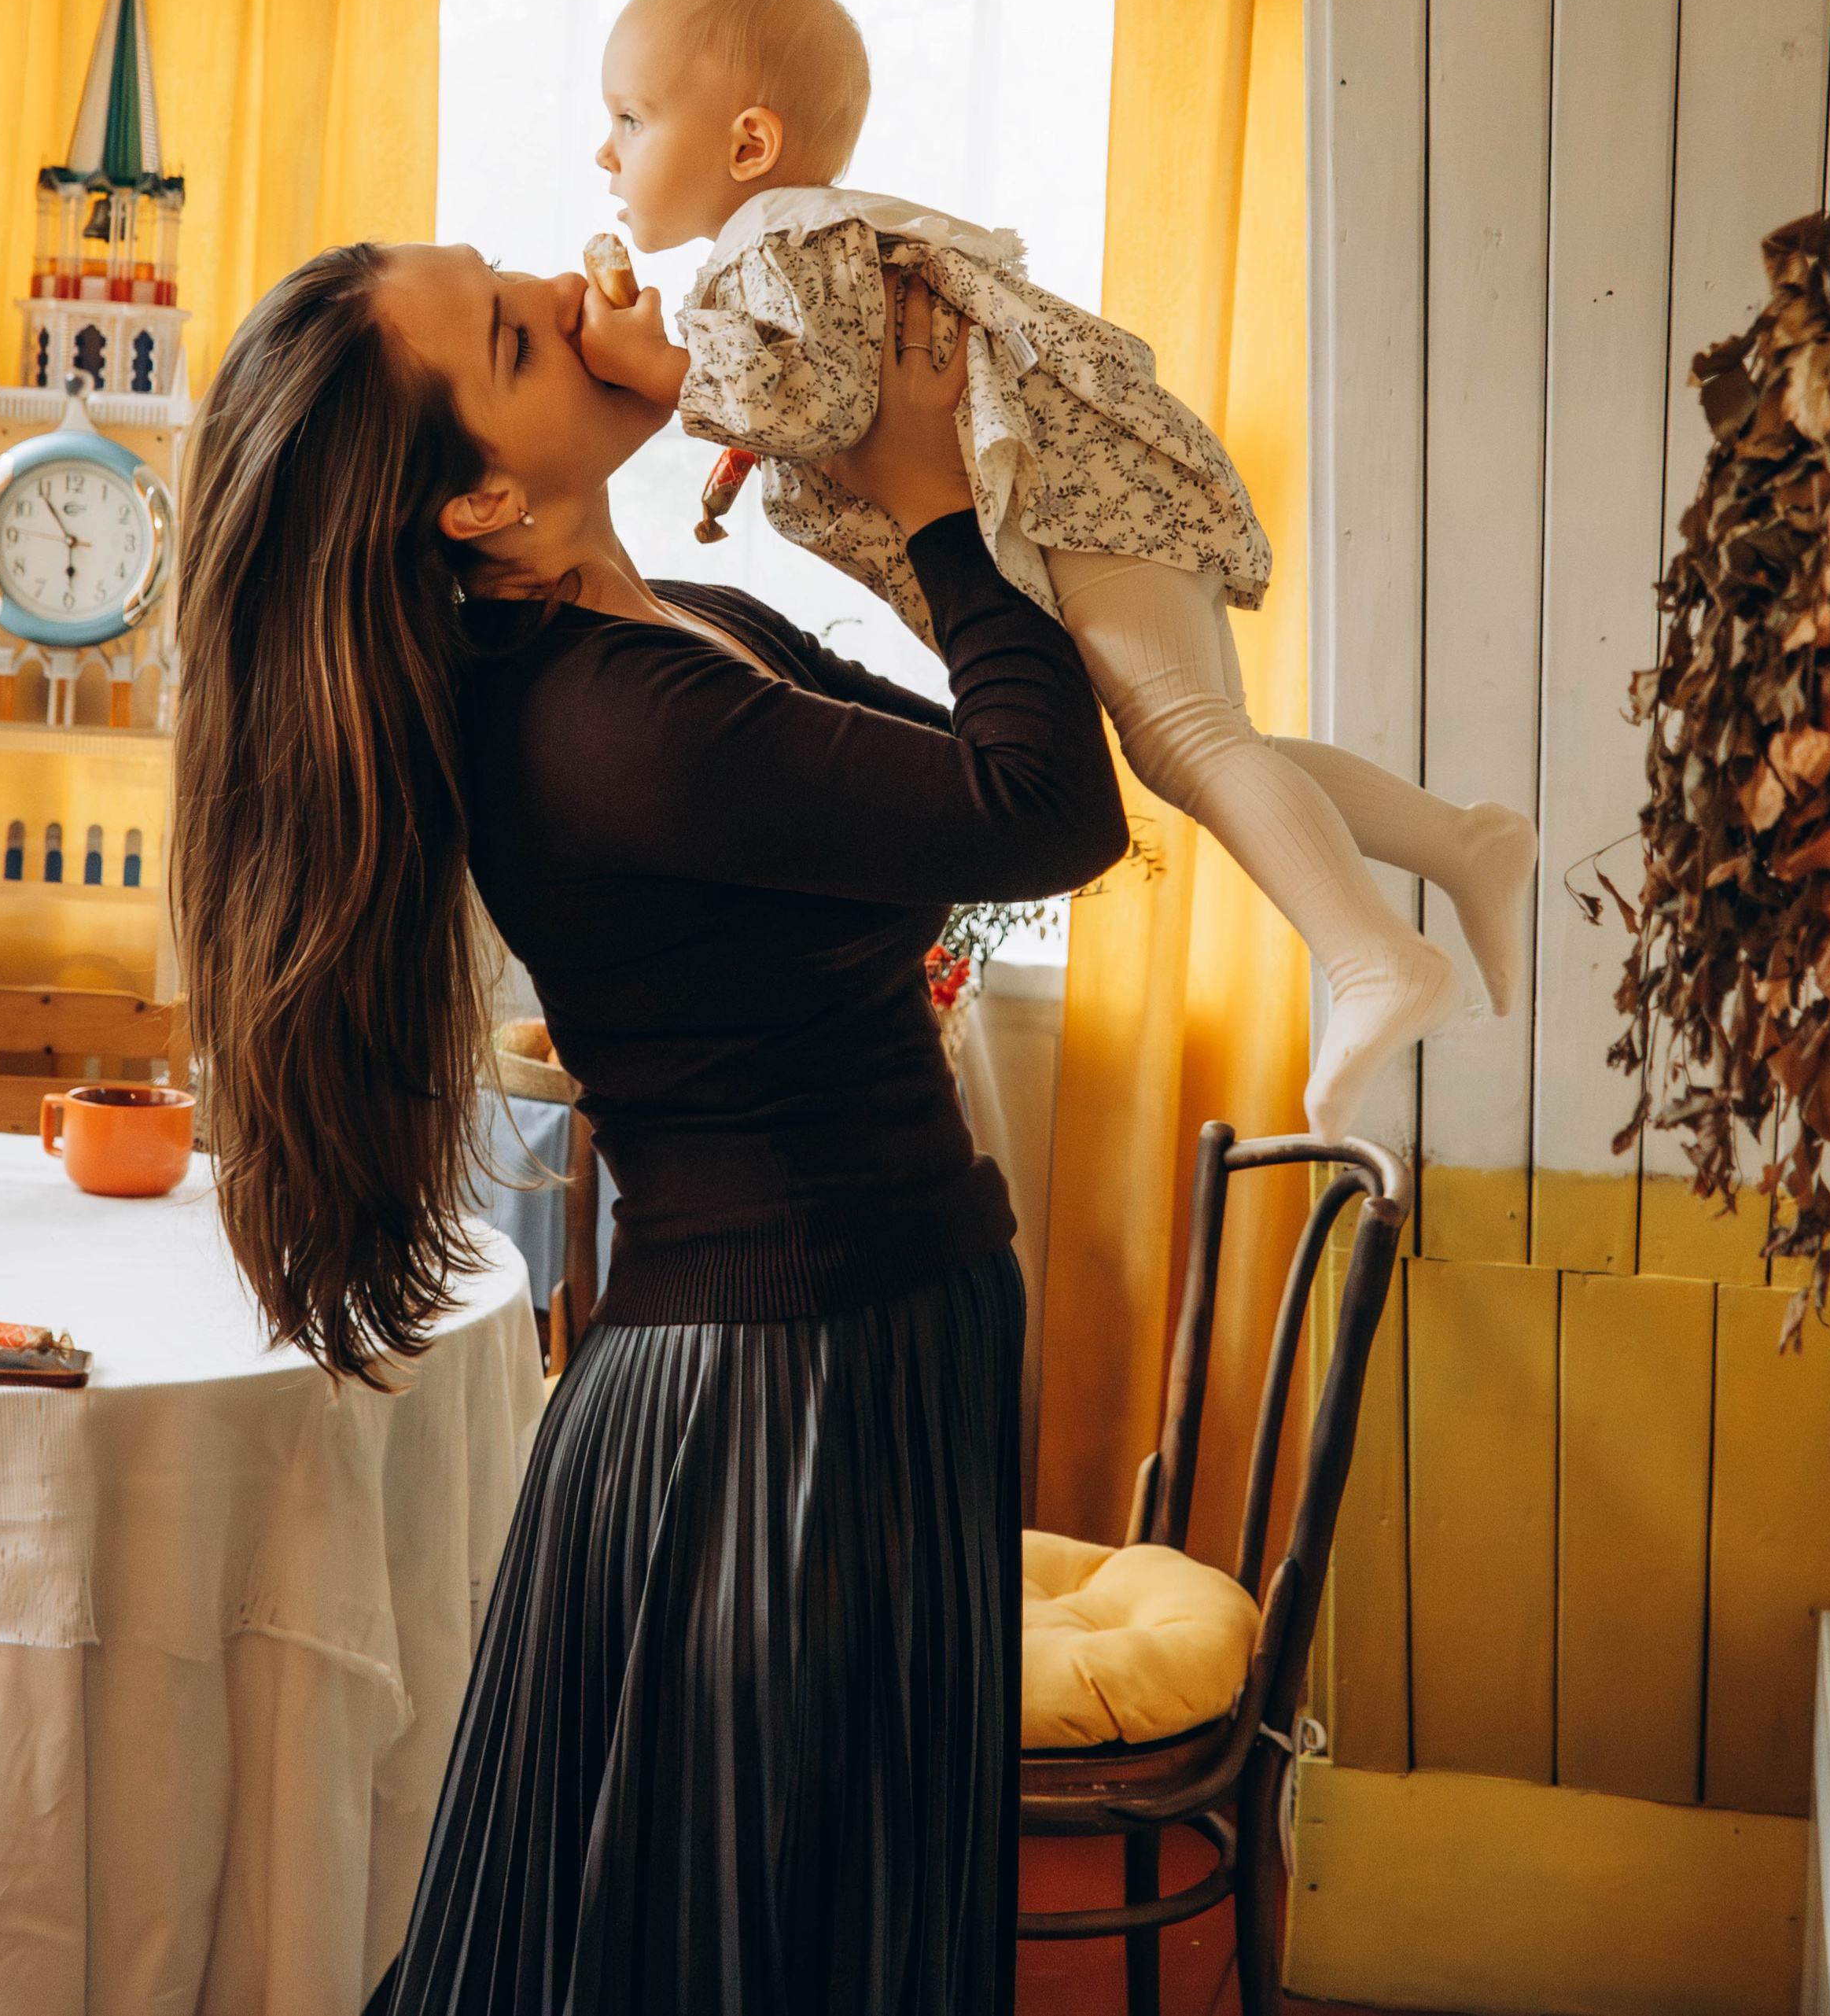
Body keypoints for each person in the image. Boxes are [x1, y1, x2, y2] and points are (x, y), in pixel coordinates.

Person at [171, 237, 1126, 2016]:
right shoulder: (613, 723)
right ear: (476, 502)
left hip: (840, 1346)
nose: (569, 278)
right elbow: (1046, 808)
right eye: (522, 333)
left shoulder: (668, 634)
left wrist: (832, 454)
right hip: (783, 1396)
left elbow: (977, 760)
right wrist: (924, 501)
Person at [578, 0, 1540, 1137]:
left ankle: (1376, 956)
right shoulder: (795, 246)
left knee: (1189, 741)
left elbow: (820, 405)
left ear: (747, 144)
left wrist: (660, 371)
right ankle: (1462, 840)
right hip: (1073, 495)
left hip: (1067, 492)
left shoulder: (777, 237)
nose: (605, 153)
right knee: (1204, 741)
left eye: (629, 118)